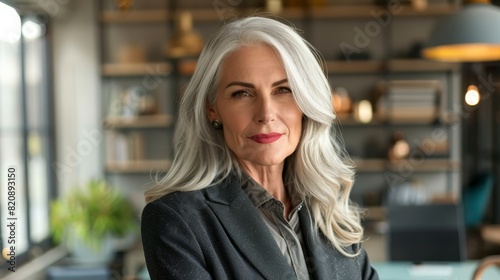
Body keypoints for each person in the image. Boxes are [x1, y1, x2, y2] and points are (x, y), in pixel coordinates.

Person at [141, 16, 379, 280]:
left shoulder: (330, 210)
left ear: (306, 103)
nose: (266, 114)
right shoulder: (176, 221)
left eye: (283, 90)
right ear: (212, 109)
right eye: (242, 93)